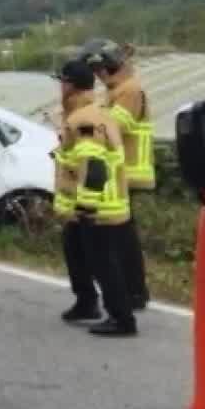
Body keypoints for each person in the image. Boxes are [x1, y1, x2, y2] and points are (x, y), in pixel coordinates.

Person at [51, 55, 135, 336]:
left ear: (70, 86)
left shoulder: (86, 119)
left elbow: (94, 167)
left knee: (102, 262)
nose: (59, 89)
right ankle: (87, 302)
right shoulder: (88, 114)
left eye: (61, 83)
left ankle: (122, 319)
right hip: (84, 208)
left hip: (97, 208)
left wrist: (86, 207)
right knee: (74, 249)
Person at [90, 40, 153, 310]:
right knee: (121, 238)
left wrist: (81, 125)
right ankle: (133, 291)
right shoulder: (118, 90)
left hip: (129, 173)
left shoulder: (129, 91)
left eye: (98, 70)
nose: (97, 77)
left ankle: (134, 292)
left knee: (122, 240)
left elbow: (115, 127)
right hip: (120, 174)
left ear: (108, 67)